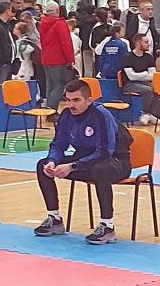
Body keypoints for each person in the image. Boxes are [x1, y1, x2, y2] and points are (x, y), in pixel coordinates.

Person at [33, 79, 132, 245]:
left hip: (114, 162)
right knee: (42, 165)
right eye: (68, 100)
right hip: (84, 160)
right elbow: (58, 144)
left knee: (100, 170)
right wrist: (52, 161)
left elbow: (104, 152)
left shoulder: (101, 115)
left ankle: (107, 226)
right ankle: (54, 218)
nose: (71, 105)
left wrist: (73, 166)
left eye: (76, 100)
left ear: (89, 100)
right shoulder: (66, 115)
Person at [39, 1, 75, 118]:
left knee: (50, 85)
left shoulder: (42, 23)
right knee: (59, 85)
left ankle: (48, 110)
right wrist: (70, 58)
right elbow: (66, 43)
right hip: (58, 58)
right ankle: (52, 111)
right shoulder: (60, 24)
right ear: (58, 10)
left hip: (46, 57)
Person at [122, 34, 160, 125]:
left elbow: (153, 75)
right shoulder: (127, 57)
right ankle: (145, 113)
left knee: (158, 88)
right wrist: (145, 74)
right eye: (146, 42)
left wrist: (141, 76)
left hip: (144, 82)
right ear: (138, 43)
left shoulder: (148, 57)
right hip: (129, 84)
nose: (149, 44)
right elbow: (131, 77)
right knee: (148, 90)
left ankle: (151, 114)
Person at [0, 2, 17, 83]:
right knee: (0, 85)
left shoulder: (7, 25)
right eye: (11, 10)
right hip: (1, 63)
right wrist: (2, 59)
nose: (13, 13)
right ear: (7, 11)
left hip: (9, 62)